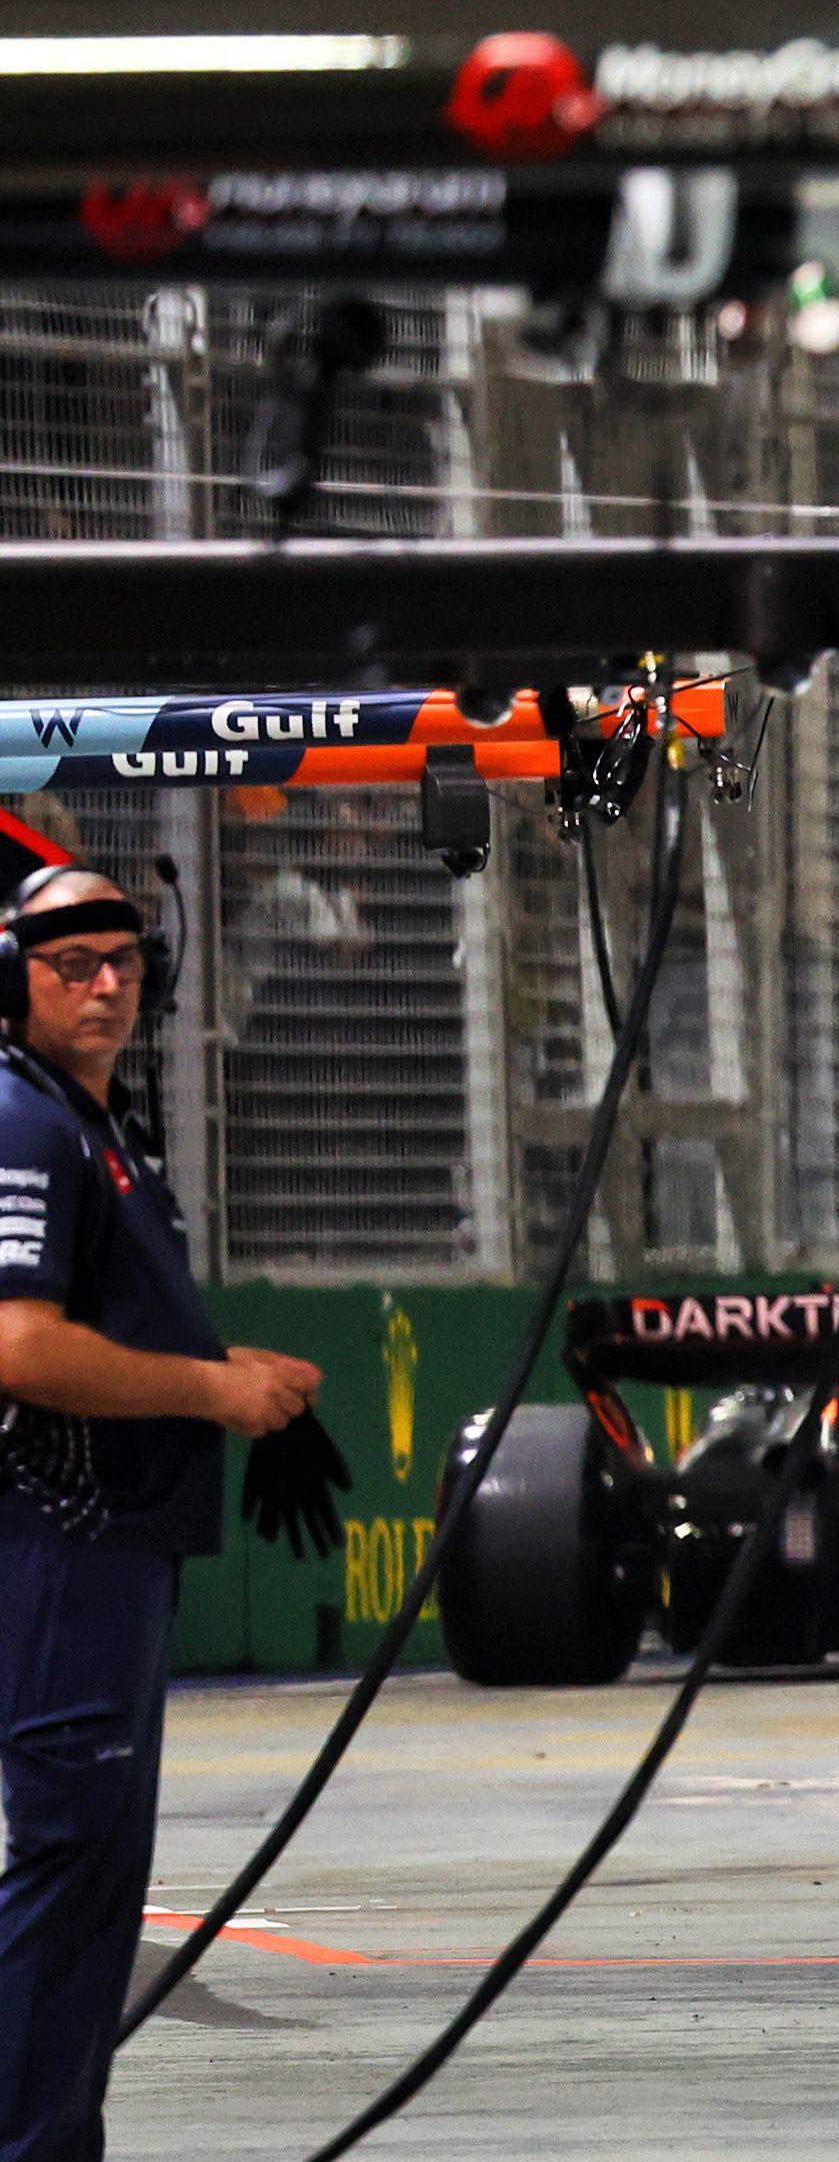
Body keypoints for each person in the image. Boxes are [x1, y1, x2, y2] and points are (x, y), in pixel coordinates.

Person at [0, 868, 320, 2158]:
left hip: (118, 1546)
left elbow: (110, 1325)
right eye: (71, 958)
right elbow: (18, 1346)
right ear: (14, 976)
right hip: (58, 1539)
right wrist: (207, 1387)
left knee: (98, 1880)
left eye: (124, 957)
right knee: (71, 1863)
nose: (105, 980)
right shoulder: (25, 1124)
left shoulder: (103, 1126)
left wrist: (237, 1376)